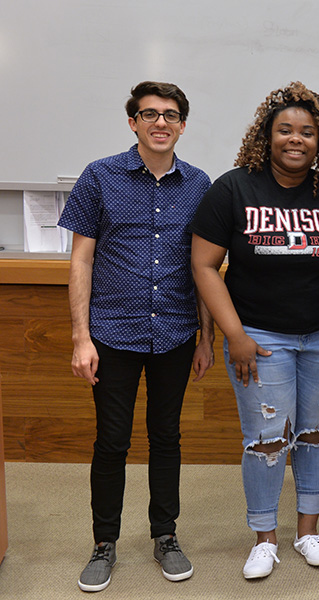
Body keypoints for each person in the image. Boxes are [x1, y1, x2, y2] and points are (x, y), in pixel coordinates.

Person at [59, 81, 214, 592]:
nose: (160, 122)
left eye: (171, 115)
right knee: (112, 441)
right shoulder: (100, 176)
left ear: (183, 125)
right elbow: (81, 259)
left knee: (166, 437)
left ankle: (165, 536)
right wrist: (81, 338)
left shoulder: (199, 183)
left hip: (174, 331)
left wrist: (206, 336)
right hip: (112, 334)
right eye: (149, 114)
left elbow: (206, 266)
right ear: (133, 122)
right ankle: (104, 543)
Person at [189, 82, 319, 580]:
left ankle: (308, 531)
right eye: (285, 130)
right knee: (265, 439)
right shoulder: (234, 187)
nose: (295, 139)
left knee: (316, 434)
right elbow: (204, 264)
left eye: (307, 132)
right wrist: (232, 334)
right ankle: (264, 538)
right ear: (267, 135)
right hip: (259, 337)